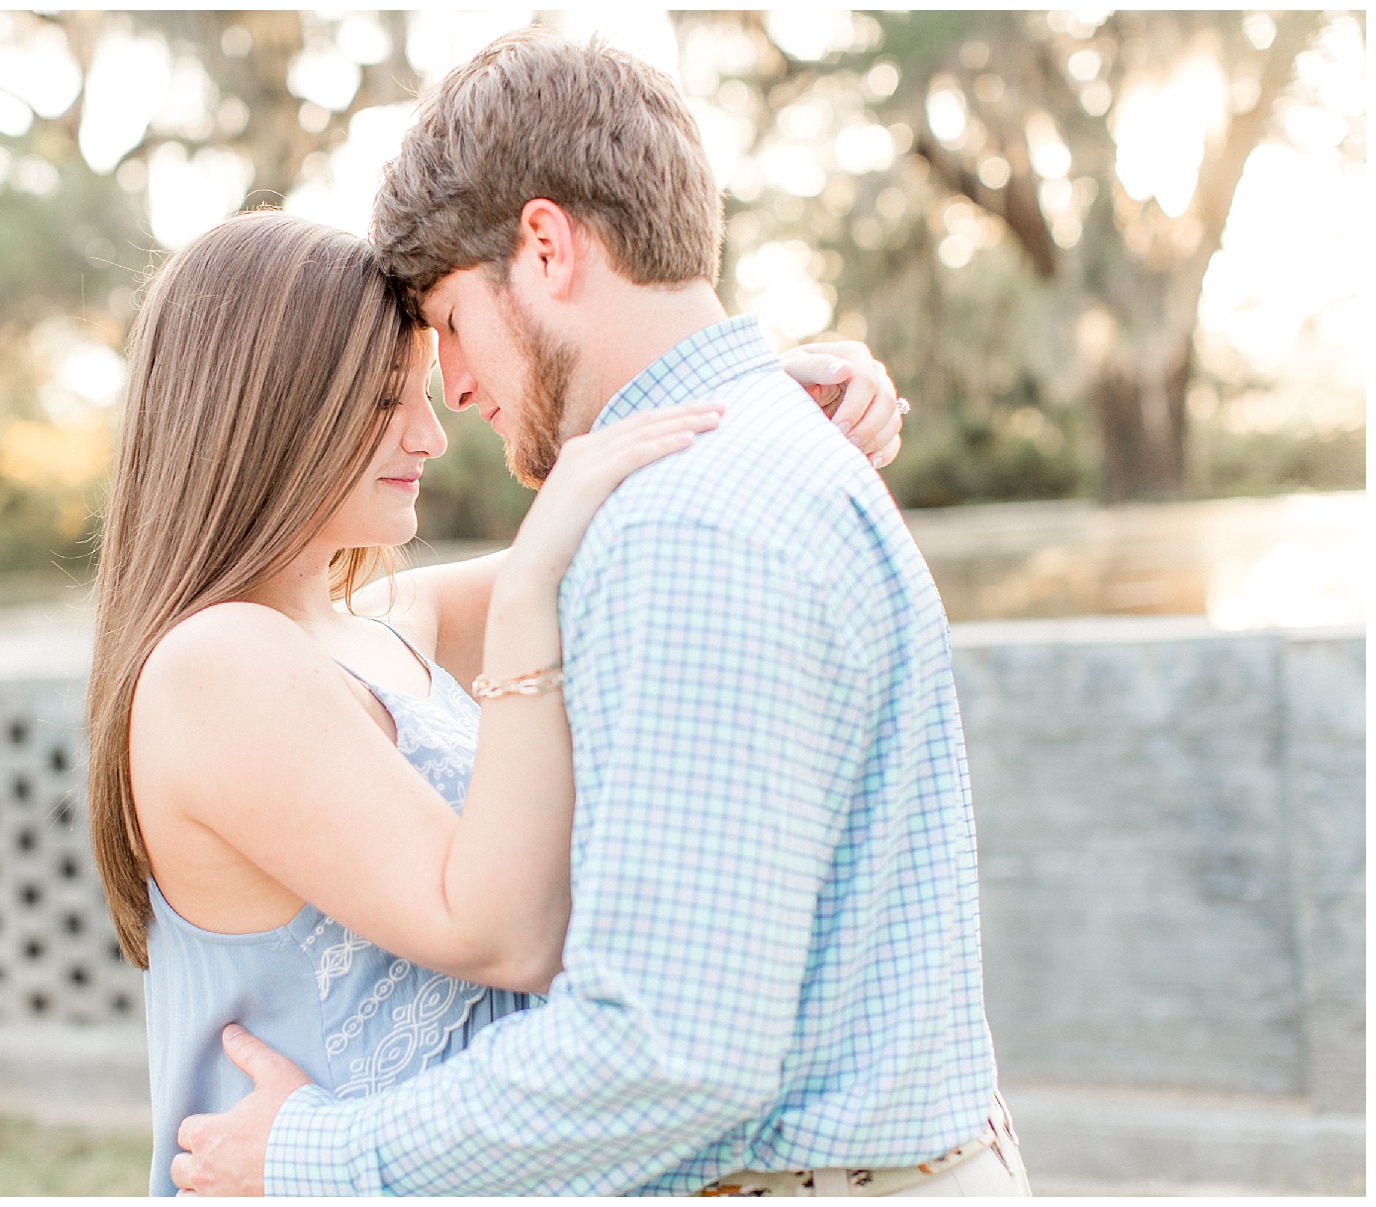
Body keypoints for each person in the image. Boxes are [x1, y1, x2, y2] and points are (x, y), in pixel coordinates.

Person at [169, 30, 1028, 1198]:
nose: (452, 399)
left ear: (545, 244)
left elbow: (666, 1053)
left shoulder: (687, 528)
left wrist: (323, 1151)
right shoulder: (725, 481)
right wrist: (766, 383)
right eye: (395, 394)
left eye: (453, 330)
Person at [84, 212, 902, 1196]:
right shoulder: (214, 666)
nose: (430, 434)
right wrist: (523, 606)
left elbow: (645, 503)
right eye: (384, 401)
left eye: (424, 392)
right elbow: (502, 931)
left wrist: (774, 392)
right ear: (269, 409)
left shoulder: (381, 624)